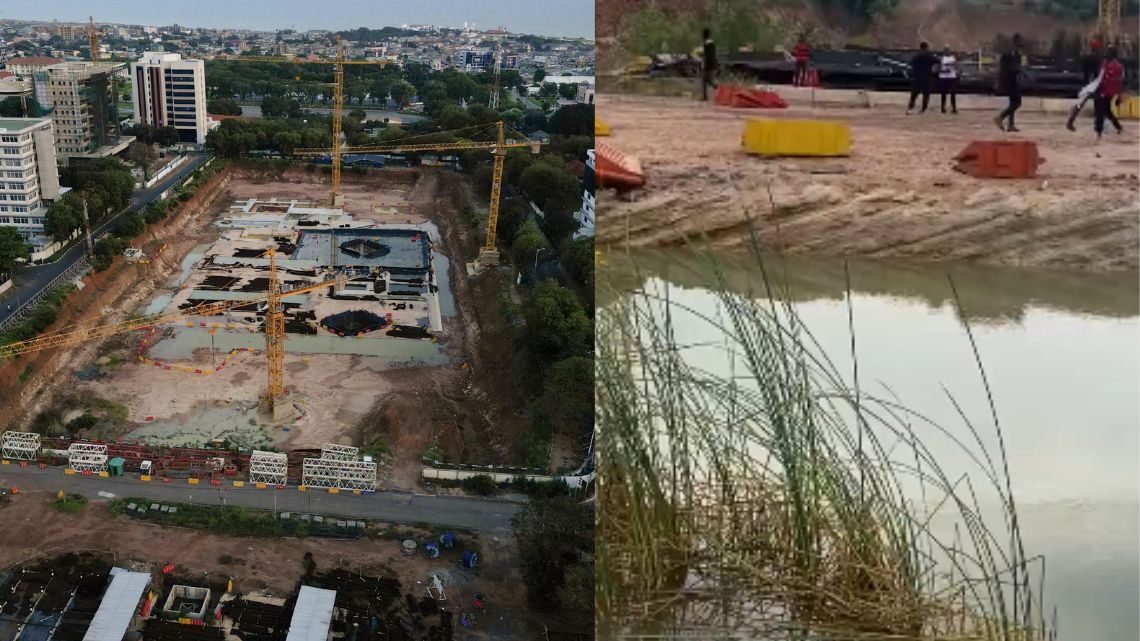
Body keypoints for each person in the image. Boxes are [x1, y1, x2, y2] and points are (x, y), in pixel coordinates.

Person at [994, 34, 1026, 132]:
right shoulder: (1009, 54)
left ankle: (1011, 125)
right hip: (1009, 81)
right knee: (1017, 103)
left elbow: (1017, 67)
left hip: (1013, 80)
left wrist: (1021, 72)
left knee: (1013, 102)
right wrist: (1020, 71)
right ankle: (1000, 117)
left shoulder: (1016, 54)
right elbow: (1008, 68)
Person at [1093, 46, 1125, 139]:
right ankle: (1118, 126)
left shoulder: (1118, 66)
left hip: (1108, 91)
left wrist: (1119, 95)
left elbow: (1119, 82)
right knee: (1106, 110)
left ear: (1112, 54)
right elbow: (1100, 76)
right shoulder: (1104, 63)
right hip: (1101, 89)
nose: (1106, 53)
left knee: (1101, 111)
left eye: (1108, 52)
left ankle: (1098, 131)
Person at [907, 42, 937, 114]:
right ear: (926, 47)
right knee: (926, 95)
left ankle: (910, 108)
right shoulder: (929, 56)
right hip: (927, 78)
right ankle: (923, 109)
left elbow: (910, 63)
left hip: (917, 78)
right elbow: (938, 61)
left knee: (914, 95)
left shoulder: (917, 56)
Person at [937, 46, 960, 114]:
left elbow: (956, 66)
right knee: (943, 93)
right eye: (945, 50)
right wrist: (942, 70)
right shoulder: (941, 58)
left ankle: (953, 108)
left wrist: (955, 67)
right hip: (943, 77)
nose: (947, 52)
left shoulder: (953, 58)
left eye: (948, 50)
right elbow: (938, 67)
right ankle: (943, 107)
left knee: (953, 93)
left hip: (951, 77)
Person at [701, 28, 717, 101]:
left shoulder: (708, 44)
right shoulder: (710, 43)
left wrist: (703, 57)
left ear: (704, 35)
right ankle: (705, 96)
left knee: (708, 80)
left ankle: (718, 89)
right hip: (711, 64)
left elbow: (708, 55)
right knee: (706, 80)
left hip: (709, 65)